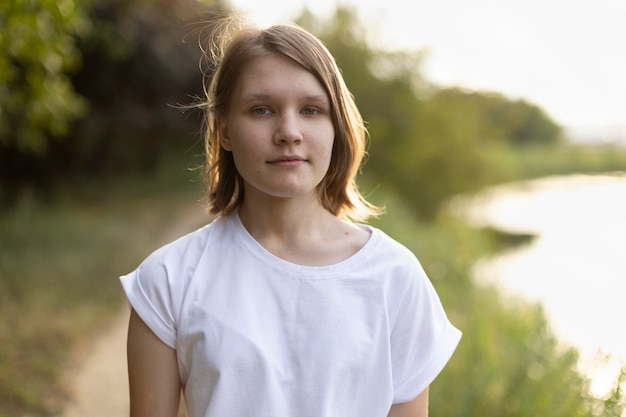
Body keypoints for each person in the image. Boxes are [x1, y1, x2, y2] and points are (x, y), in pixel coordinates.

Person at [120, 19, 461, 417]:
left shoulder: (395, 278)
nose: (288, 131)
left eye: (311, 110)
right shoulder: (167, 279)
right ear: (225, 130)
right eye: (261, 109)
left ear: (337, 128)